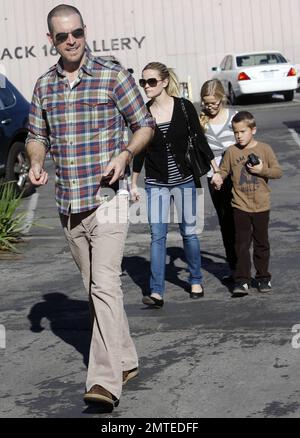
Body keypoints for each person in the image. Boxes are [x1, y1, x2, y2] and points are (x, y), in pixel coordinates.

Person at [26, 4, 155, 410]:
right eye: (62, 36)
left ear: (85, 31)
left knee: (104, 285)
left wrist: (125, 156)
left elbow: (145, 124)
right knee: (96, 290)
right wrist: (34, 160)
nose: (71, 41)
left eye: (77, 33)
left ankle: (104, 382)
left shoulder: (112, 75)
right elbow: (35, 134)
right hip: (69, 204)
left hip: (109, 199)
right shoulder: (44, 86)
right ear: (51, 40)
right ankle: (127, 359)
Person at [131, 62, 222, 306]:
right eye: (143, 82)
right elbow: (139, 149)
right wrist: (132, 182)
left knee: (189, 233)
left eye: (151, 81)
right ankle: (156, 291)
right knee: (157, 236)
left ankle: (195, 279)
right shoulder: (144, 112)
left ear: (163, 82)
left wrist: (216, 171)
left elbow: (200, 140)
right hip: (156, 182)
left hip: (184, 180)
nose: (146, 86)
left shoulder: (183, 107)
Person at [213, 111, 282, 297]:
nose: (238, 136)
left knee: (261, 243)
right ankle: (242, 280)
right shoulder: (232, 151)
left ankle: (263, 278)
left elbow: (277, 172)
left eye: (242, 131)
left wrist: (262, 170)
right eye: (235, 132)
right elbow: (224, 169)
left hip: (261, 205)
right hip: (240, 205)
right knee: (241, 244)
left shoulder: (265, 149)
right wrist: (218, 177)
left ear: (253, 130)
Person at [199, 79, 237, 280]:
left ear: (222, 98)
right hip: (214, 178)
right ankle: (234, 268)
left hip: (238, 176)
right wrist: (215, 172)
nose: (210, 107)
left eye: (214, 102)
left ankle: (247, 266)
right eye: (206, 103)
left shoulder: (235, 117)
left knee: (242, 222)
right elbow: (203, 152)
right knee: (225, 222)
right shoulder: (201, 121)